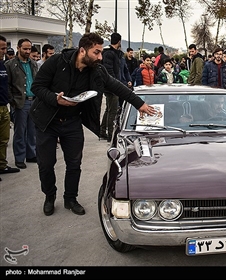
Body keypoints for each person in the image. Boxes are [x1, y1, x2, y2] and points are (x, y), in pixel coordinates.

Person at [30, 32, 156, 216]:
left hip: (72, 122)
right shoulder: (57, 62)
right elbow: (37, 87)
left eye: (101, 52)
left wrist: (140, 104)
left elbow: (117, 86)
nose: (100, 57)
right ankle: (49, 196)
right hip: (47, 121)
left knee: (74, 163)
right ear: (83, 50)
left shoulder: (97, 70)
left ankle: (70, 198)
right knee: (46, 164)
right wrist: (55, 99)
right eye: (96, 52)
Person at [5, 38, 38, 169]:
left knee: (32, 131)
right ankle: (19, 157)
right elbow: (7, 85)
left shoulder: (33, 64)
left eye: (29, 49)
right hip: (20, 102)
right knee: (20, 132)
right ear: (18, 48)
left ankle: (31, 154)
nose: (27, 51)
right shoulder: (10, 65)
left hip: (33, 101)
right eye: (25, 49)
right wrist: (12, 100)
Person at [0, 35, 20, 178]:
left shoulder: (2, 64)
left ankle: (2, 165)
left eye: (5, 48)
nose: (4, 51)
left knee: (3, 139)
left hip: (3, 107)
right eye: (1, 48)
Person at [99, 32, 123, 142]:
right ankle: (110, 134)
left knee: (108, 109)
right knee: (112, 111)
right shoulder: (110, 54)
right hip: (111, 87)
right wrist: (115, 84)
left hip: (109, 85)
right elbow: (109, 70)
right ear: (119, 42)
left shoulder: (112, 53)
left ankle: (102, 131)